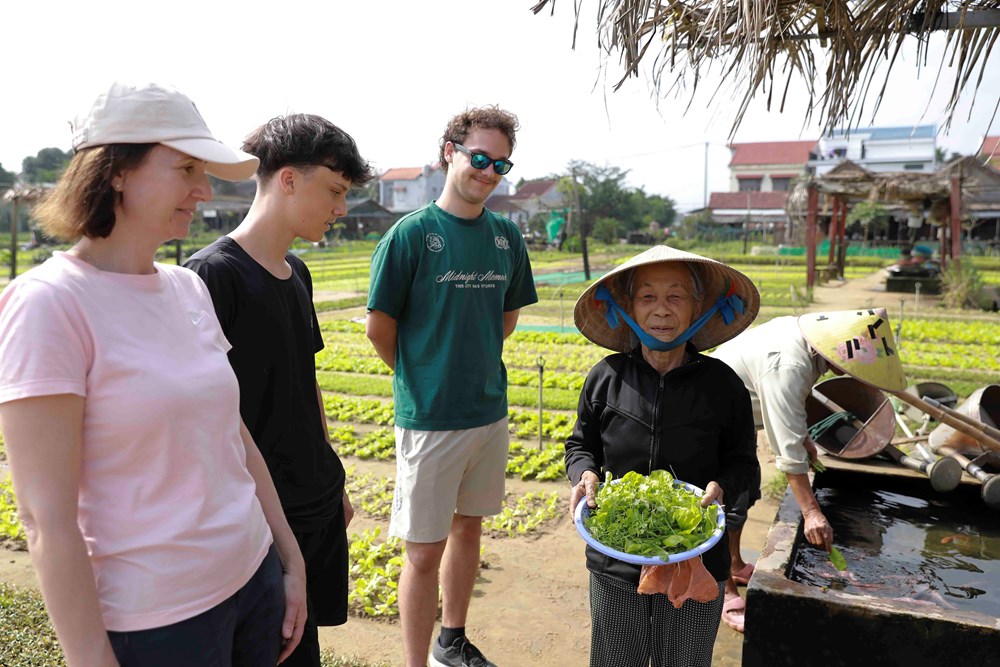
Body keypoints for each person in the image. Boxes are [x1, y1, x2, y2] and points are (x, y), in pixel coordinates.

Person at [0, 81, 306, 666]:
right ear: (116, 169)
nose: (204, 189)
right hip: (159, 621)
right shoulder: (49, 304)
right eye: (187, 167)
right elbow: (46, 520)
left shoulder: (186, 285)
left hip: (252, 577)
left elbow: (232, 435)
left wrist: (287, 557)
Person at [184, 114, 375, 667]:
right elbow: (207, 418)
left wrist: (329, 470)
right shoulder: (210, 276)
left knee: (303, 643)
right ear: (288, 180)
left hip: (312, 498)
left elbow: (304, 381)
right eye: (335, 190)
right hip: (258, 514)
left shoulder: (298, 272)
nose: (341, 207)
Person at [365, 106, 537, 667]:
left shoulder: (507, 236)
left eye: (500, 164)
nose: (488, 172)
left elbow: (506, 318)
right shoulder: (410, 236)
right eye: (479, 158)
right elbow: (380, 328)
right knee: (421, 554)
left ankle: (452, 641)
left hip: (489, 412)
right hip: (431, 420)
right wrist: (423, 374)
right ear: (449, 153)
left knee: (469, 530)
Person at [567, 245, 760, 667]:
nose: (661, 310)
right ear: (629, 308)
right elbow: (581, 445)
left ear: (697, 308)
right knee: (616, 660)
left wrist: (722, 486)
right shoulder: (606, 377)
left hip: (697, 557)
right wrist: (584, 475)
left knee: (685, 661)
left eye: (675, 297)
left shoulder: (723, 385)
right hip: (615, 557)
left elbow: (745, 462)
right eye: (648, 297)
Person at [710, 314, 839, 632]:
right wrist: (811, 513)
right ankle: (724, 591)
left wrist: (804, 436)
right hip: (712, 422)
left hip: (738, 418)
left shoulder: (807, 339)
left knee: (747, 492)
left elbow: (790, 405)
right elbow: (787, 451)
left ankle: (736, 563)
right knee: (723, 507)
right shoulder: (789, 363)